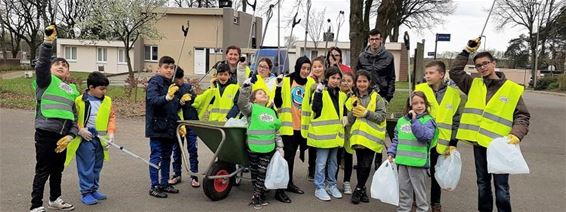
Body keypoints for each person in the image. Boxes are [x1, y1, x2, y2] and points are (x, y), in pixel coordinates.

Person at [450, 38, 530, 212]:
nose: (482, 67)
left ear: (494, 64)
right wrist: (466, 51)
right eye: (478, 65)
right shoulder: (473, 84)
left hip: (500, 146)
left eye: (485, 63)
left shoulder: (511, 89)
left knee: (501, 188)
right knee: (483, 184)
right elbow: (455, 72)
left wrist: (516, 134)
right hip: (480, 144)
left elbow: (522, 116)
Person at [30, 25, 77, 212]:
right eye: (57, 64)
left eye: (64, 65)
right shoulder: (46, 81)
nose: (61, 66)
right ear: (50, 69)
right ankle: (36, 205)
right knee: (43, 170)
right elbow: (41, 65)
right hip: (45, 133)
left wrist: (71, 136)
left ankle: (55, 199)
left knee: (58, 170)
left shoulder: (72, 90)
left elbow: (74, 118)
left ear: (68, 73)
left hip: (63, 137)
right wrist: (48, 43)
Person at [414, 61, 463, 212]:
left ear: (441, 75)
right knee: (418, 172)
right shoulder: (420, 90)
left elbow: (456, 120)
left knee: (436, 172)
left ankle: (436, 202)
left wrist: (453, 142)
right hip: (421, 139)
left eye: (431, 73)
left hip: (442, 141)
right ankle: (417, 200)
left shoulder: (454, 94)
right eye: (426, 73)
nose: (427, 76)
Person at [63, 72, 115, 205]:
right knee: (86, 166)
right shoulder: (79, 101)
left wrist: (111, 133)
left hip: (100, 139)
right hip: (85, 139)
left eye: (105, 88)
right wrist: (80, 130)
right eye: (101, 88)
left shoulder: (107, 100)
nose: (104, 91)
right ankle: (86, 192)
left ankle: (93, 189)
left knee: (97, 165)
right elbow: (73, 118)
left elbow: (111, 117)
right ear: (91, 87)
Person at [237, 80, 284, 209]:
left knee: (262, 171)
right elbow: (241, 103)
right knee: (255, 172)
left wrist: (280, 147)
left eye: (264, 93)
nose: (263, 94)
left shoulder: (271, 112)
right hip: (253, 146)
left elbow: (276, 131)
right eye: (259, 93)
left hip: (268, 148)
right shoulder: (251, 109)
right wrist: (246, 87)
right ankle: (258, 194)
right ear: (254, 99)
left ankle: (257, 196)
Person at [387, 91, 437, 212]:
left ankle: (422, 210)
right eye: (415, 103)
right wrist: (391, 152)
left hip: (418, 164)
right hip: (403, 162)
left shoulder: (428, 121)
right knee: (404, 191)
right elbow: (396, 139)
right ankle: (403, 209)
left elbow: (424, 136)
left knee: (420, 193)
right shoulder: (401, 121)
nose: (419, 106)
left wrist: (414, 121)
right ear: (410, 106)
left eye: (422, 102)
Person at [274, 56, 314, 198]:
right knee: (286, 158)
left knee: (291, 158)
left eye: (308, 69)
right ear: (298, 67)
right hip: (287, 126)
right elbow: (277, 102)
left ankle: (289, 183)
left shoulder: (311, 82)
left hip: (301, 127)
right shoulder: (287, 80)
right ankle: (280, 189)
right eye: (303, 68)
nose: (305, 71)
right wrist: (278, 87)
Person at [145, 56, 185, 198]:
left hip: (170, 127)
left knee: (167, 156)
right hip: (157, 127)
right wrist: (167, 97)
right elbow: (153, 100)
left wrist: (180, 103)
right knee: (156, 156)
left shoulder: (172, 84)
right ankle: (154, 186)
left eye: (171, 67)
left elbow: (172, 108)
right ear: (159, 68)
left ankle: (164, 183)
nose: (169, 70)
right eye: (166, 67)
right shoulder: (155, 82)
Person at [346, 70, 387, 204]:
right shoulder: (352, 98)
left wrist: (366, 113)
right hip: (358, 137)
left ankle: (358, 189)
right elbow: (350, 120)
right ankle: (362, 188)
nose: (362, 84)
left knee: (366, 164)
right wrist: (353, 108)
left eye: (364, 81)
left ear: (369, 83)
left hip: (371, 138)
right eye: (359, 81)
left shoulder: (377, 98)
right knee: (361, 164)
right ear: (355, 83)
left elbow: (381, 117)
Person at [309, 67, 347, 201]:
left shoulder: (342, 95)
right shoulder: (320, 92)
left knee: (333, 163)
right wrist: (318, 92)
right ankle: (319, 187)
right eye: (333, 78)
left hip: (335, 135)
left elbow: (343, 110)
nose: (336, 81)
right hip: (324, 136)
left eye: (338, 78)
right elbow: (315, 108)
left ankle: (331, 185)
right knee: (321, 163)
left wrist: (345, 116)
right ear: (327, 78)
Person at [168, 67, 200, 188]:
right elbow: (170, 108)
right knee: (177, 150)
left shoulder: (188, 87)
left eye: (182, 77)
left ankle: (194, 176)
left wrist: (191, 97)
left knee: (193, 149)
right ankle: (177, 174)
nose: (181, 80)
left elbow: (196, 101)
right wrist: (179, 102)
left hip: (191, 122)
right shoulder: (171, 89)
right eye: (178, 78)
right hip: (178, 124)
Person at [302, 56, 326, 181]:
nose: (317, 69)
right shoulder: (310, 81)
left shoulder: (327, 79)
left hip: (324, 117)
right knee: (312, 146)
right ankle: (312, 169)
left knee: (321, 146)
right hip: (313, 116)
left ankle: (319, 170)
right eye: (314, 67)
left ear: (324, 67)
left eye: (319, 66)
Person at [356, 28, 395, 102]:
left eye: (377, 39)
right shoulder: (362, 57)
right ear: (369, 40)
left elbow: (391, 78)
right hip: (365, 94)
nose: (374, 42)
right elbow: (357, 76)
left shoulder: (389, 56)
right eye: (372, 39)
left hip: (382, 94)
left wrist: (388, 96)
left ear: (381, 40)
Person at [337, 71, 355, 195]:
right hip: (336, 130)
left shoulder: (353, 97)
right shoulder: (335, 94)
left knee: (348, 157)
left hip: (349, 132)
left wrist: (348, 119)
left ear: (353, 83)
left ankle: (347, 182)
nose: (345, 83)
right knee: (335, 157)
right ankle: (332, 180)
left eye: (348, 81)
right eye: (343, 80)